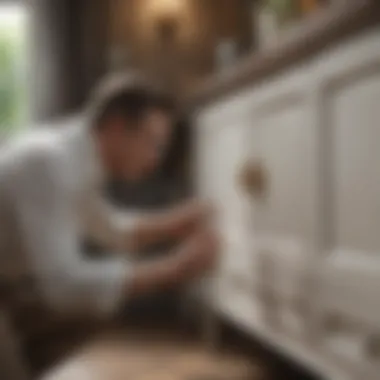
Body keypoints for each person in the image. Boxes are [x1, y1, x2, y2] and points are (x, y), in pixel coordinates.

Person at [0, 73, 219, 319]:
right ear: (116, 126)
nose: (156, 159)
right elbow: (63, 286)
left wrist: (174, 223)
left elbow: (107, 227)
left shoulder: (74, 157)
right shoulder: (48, 163)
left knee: (90, 317)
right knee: (82, 315)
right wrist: (174, 269)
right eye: (152, 142)